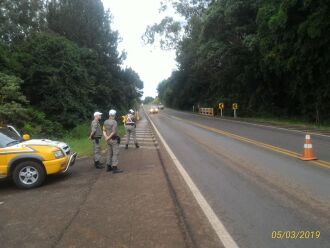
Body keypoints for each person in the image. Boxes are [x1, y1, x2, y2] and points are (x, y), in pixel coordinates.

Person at [103, 109, 123, 173]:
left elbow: (103, 130)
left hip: (108, 140)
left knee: (109, 153)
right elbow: (114, 132)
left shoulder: (105, 121)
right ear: (114, 115)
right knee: (115, 153)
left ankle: (108, 167)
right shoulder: (114, 122)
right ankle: (115, 168)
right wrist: (109, 137)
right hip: (113, 140)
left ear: (109, 114)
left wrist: (106, 137)